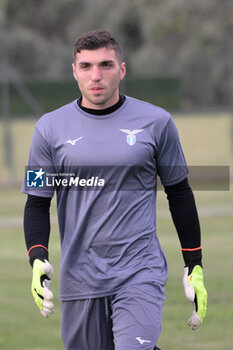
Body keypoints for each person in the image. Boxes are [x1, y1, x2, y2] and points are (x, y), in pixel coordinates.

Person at [22, 30, 207, 350]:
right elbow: (37, 203)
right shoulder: (49, 129)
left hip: (140, 273)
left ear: (122, 70)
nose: (96, 75)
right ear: (74, 71)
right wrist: (37, 257)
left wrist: (194, 264)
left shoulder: (157, 122)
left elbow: (179, 192)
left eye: (106, 65)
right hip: (80, 280)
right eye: (86, 66)